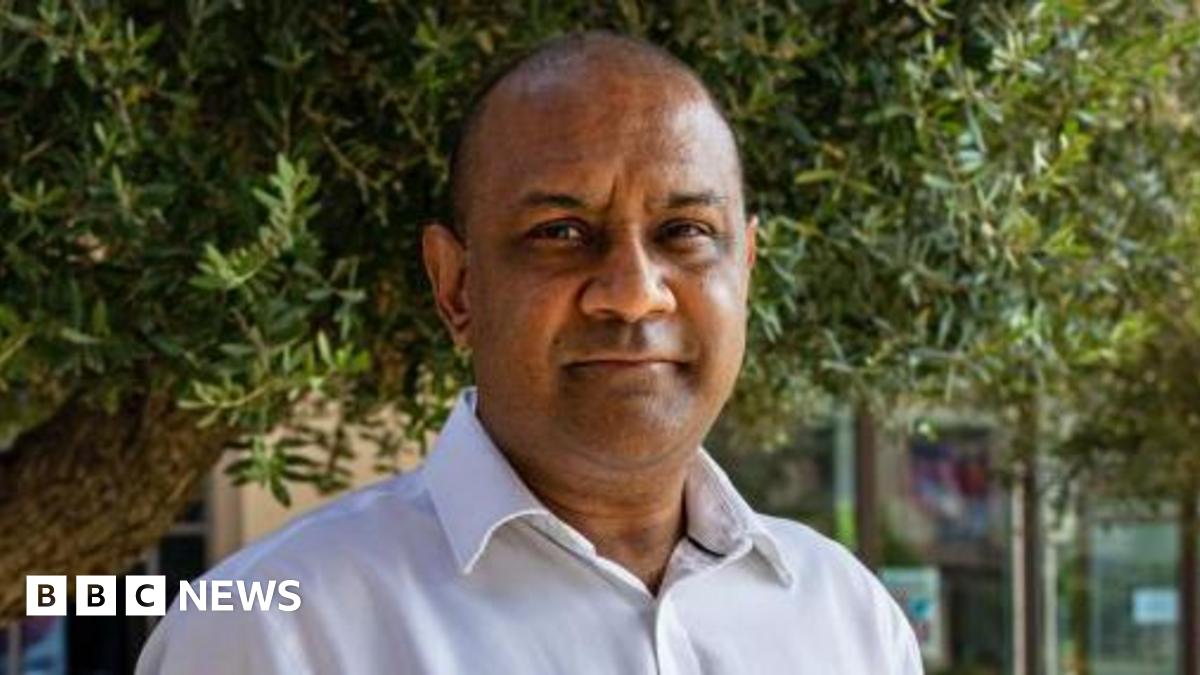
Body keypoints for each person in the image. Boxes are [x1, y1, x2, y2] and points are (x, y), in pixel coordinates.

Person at [136, 30, 923, 674]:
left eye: (685, 232)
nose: (633, 291)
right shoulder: (276, 632)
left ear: (744, 270)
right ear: (457, 288)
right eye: (560, 234)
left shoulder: (847, 619)